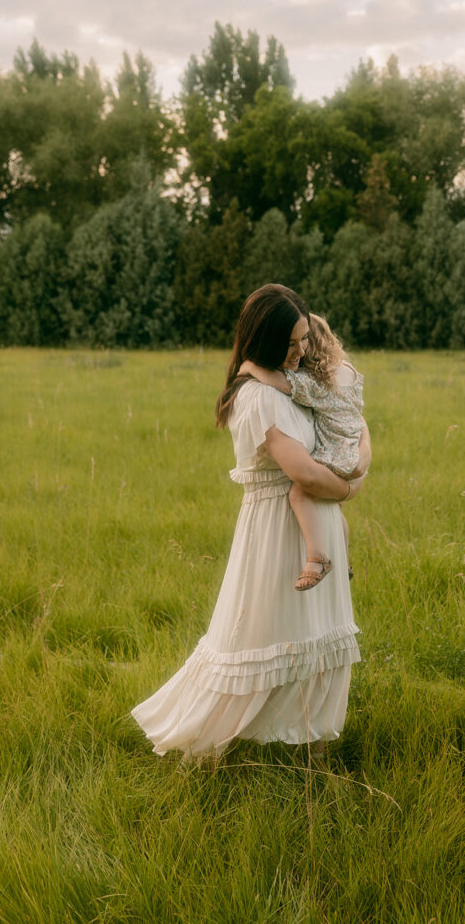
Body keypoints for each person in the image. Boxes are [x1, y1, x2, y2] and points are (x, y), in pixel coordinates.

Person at [131, 284, 371, 760]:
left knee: (318, 638)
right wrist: (348, 488)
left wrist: (359, 465)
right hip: (277, 531)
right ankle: (212, 746)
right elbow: (301, 471)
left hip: (313, 526)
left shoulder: (297, 379)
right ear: (262, 342)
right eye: (290, 343)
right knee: (258, 638)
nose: (301, 351)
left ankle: (312, 752)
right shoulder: (258, 396)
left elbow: (356, 425)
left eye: (304, 339)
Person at [239, 313, 365, 591]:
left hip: (334, 455)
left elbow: (283, 383)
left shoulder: (318, 385)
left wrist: (249, 368)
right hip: (351, 452)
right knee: (336, 509)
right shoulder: (350, 373)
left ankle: (316, 557)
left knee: (299, 493)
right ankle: (344, 561)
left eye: (304, 342)